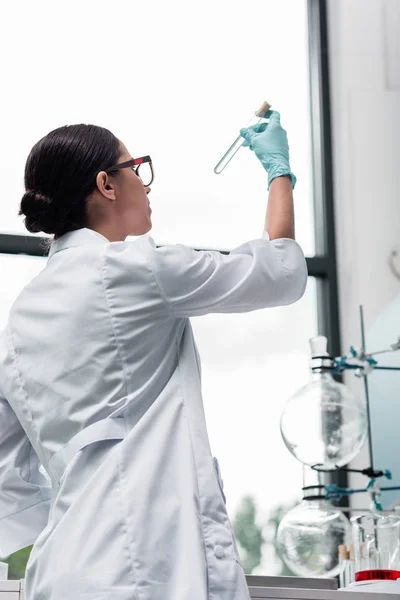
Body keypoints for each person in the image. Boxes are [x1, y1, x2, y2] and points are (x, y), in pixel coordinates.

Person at [0, 111, 307, 600]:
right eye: (136, 168)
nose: (146, 186)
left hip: (61, 571)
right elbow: (280, 272)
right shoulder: (136, 268)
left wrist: (81, 502)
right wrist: (279, 173)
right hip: (145, 565)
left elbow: (7, 482)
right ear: (106, 184)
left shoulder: (17, 322)